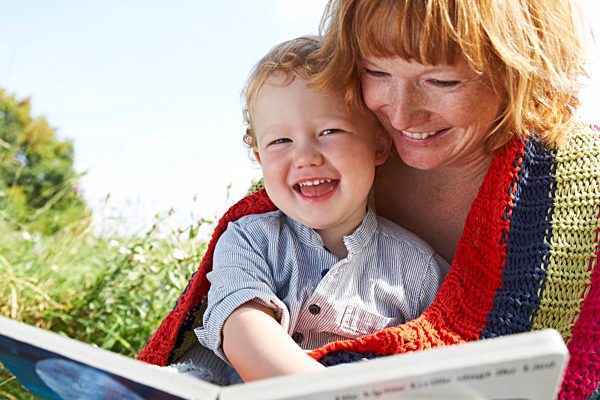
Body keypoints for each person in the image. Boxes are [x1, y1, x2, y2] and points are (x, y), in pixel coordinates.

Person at [139, 1, 599, 398]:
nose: (399, 114)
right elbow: (237, 325)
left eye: (441, 82)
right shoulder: (287, 206)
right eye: (375, 72)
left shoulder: (570, 198)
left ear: (519, 69)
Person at [193, 35, 447, 382]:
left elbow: (447, 366)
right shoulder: (250, 239)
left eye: (329, 131)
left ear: (378, 144)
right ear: (260, 158)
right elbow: (242, 330)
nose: (306, 156)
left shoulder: (419, 270)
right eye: (280, 141)